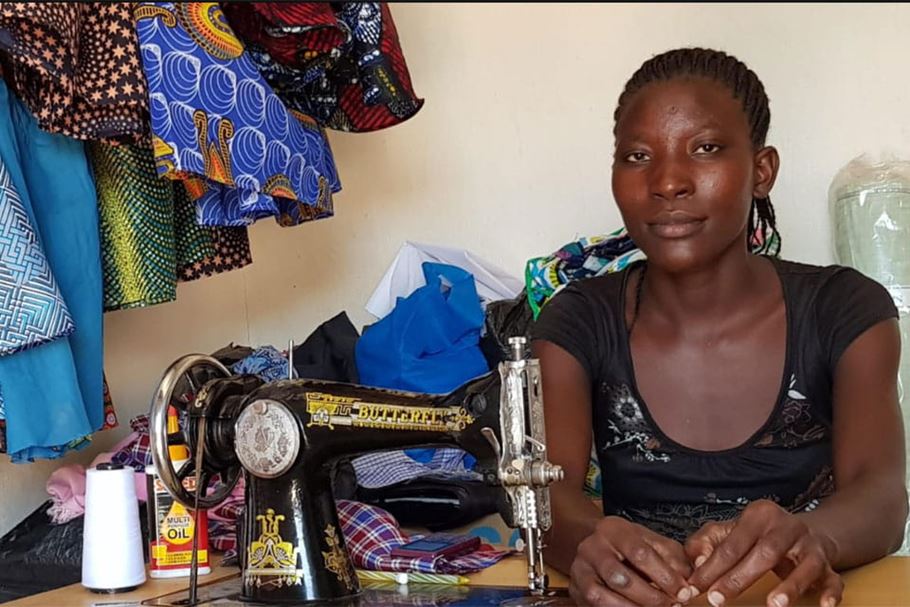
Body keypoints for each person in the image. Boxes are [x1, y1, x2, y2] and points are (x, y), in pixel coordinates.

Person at [531, 47, 907, 607]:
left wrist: (814, 537)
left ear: (762, 170)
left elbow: (881, 494)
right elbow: (548, 498)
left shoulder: (844, 311)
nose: (668, 181)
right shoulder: (578, 321)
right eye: (637, 156)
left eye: (705, 149)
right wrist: (593, 544)